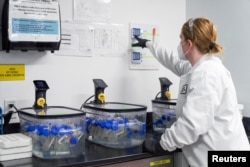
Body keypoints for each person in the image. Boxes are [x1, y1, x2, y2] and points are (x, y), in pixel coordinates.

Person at [132, 17, 250, 167]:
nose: (179, 43)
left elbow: (192, 124)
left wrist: (162, 144)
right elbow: (172, 61)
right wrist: (148, 44)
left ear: (188, 44)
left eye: (180, 38)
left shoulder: (207, 73)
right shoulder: (198, 68)